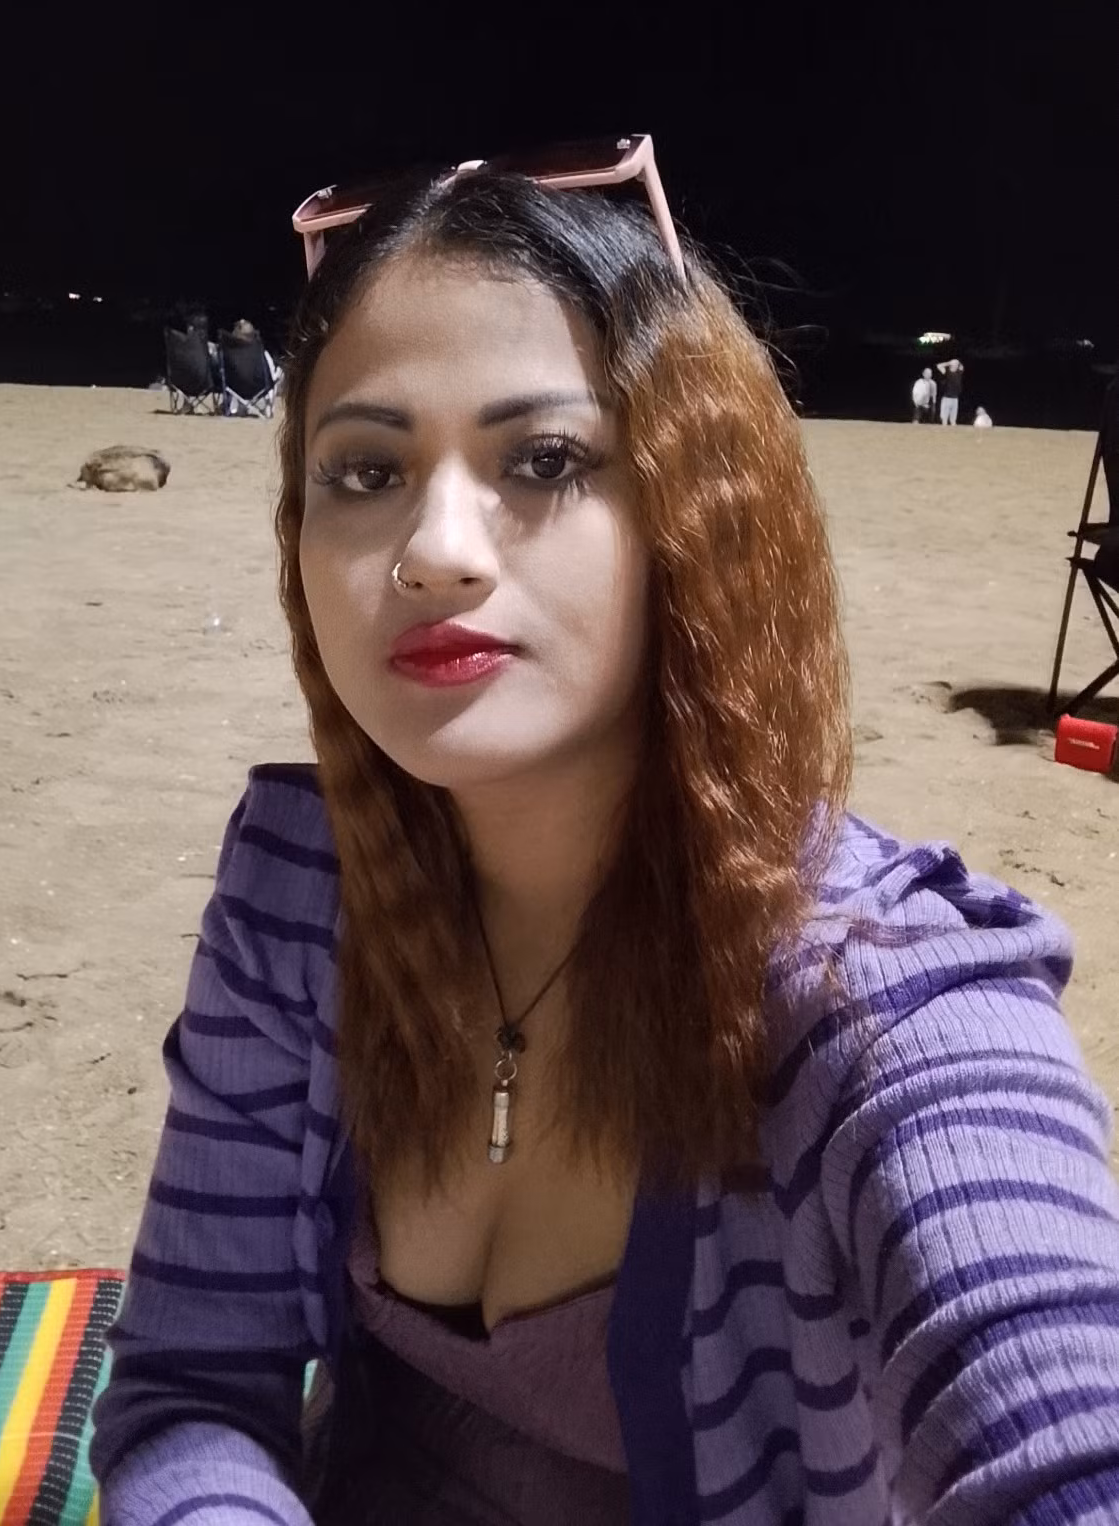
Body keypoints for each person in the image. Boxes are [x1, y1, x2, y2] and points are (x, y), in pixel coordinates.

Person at [91, 160, 1119, 1525]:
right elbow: (192, 1385)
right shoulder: (305, 893)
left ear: (694, 513)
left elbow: (1060, 1427)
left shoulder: (883, 1010)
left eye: (544, 459)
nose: (435, 551)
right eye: (366, 469)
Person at [938, 357, 964, 426]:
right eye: (955, 364)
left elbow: (962, 367)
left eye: (957, 364)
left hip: (955, 398)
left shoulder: (959, 372)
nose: (956, 365)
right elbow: (939, 366)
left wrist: (958, 362)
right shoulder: (946, 372)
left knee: (953, 419)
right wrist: (949, 363)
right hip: (947, 397)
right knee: (944, 418)